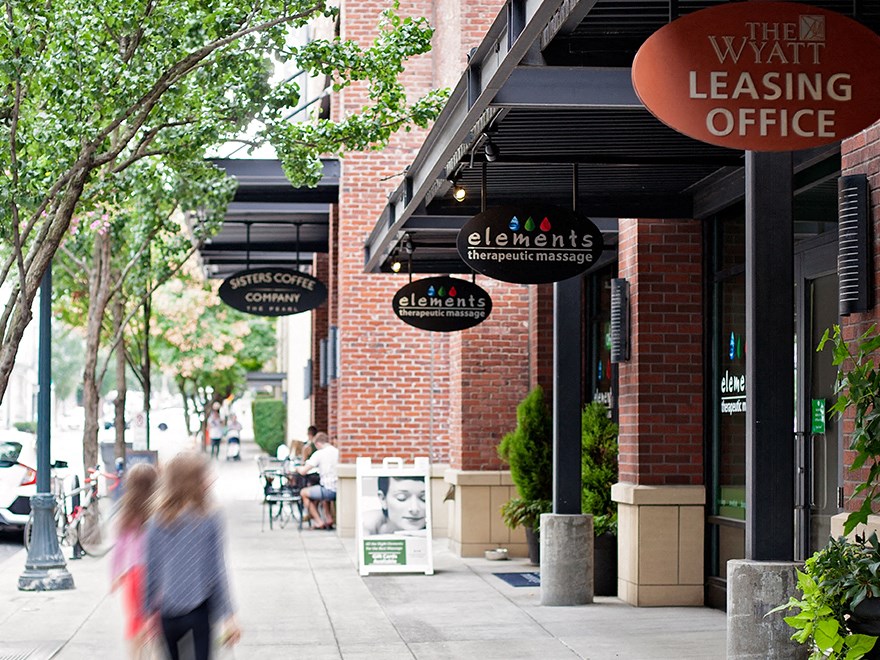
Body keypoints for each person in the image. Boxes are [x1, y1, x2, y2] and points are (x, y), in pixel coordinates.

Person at [143, 452, 241, 660]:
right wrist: (228, 615)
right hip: (199, 609)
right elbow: (216, 570)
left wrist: (147, 612)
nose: (211, 479)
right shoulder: (210, 518)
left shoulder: (157, 520)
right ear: (192, 481)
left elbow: (152, 570)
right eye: (205, 475)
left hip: (167, 611)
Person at [110, 462, 159, 659]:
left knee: (134, 620)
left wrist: (114, 576)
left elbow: (118, 551)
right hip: (156, 574)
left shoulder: (126, 515)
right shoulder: (160, 512)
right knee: (155, 622)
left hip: (133, 574)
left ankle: (135, 656)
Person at [295, 432, 338, 529]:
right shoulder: (337, 451)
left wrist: (297, 468)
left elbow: (303, 471)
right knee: (321, 490)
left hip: (328, 490)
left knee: (303, 493)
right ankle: (329, 518)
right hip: (340, 489)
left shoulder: (319, 454)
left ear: (318, 444)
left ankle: (319, 521)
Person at [362, 476, 427, 536]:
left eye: (424, 498)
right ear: (383, 499)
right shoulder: (365, 525)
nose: (414, 509)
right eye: (401, 498)